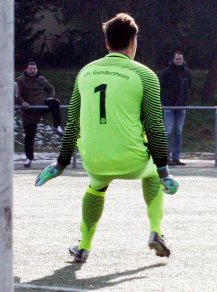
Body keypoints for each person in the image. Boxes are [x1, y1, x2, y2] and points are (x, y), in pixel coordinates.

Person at [34, 13, 179, 263]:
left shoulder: (85, 73)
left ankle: (83, 246)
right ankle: (157, 231)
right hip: (131, 160)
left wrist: (60, 164)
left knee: (96, 186)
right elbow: (155, 125)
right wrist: (164, 171)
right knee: (152, 173)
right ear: (133, 41)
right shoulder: (145, 75)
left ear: (107, 43)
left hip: (94, 160)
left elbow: (73, 124)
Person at [15, 62, 64, 168]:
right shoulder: (20, 80)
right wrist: (22, 102)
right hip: (29, 110)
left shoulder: (41, 79)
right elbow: (17, 95)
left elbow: (51, 88)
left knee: (54, 102)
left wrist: (49, 97)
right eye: (30, 69)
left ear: (37, 69)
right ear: (27, 70)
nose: (32, 70)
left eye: (34, 69)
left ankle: (58, 126)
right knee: (30, 135)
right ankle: (29, 158)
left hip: (41, 105)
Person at [159, 51, 192, 166]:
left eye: (180, 59)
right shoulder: (166, 72)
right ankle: (166, 157)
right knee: (168, 132)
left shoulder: (187, 73)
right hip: (168, 106)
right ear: (173, 59)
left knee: (178, 132)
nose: (178, 60)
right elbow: (160, 88)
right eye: (177, 59)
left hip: (181, 107)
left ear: (183, 60)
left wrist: (186, 100)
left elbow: (189, 87)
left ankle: (176, 158)